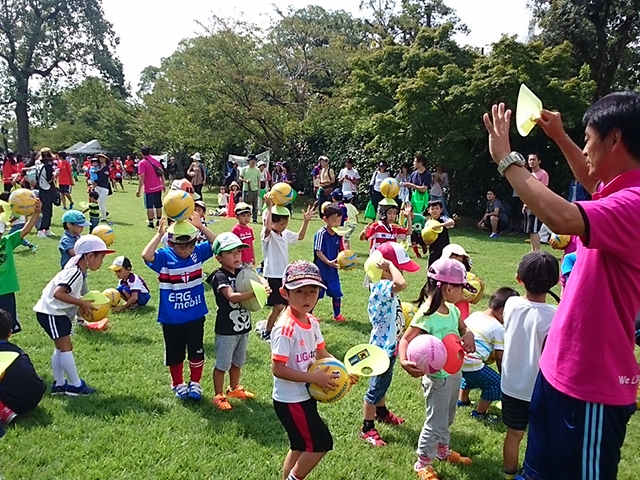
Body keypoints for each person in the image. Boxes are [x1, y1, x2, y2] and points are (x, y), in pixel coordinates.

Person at [483, 93, 640, 479]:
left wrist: (507, 160)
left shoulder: (635, 204)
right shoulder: (619, 192)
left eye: (588, 138)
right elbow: (592, 177)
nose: (584, 147)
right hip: (555, 372)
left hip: (592, 387)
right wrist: (560, 137)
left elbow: (564, 217)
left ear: (615, 139)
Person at [398, 258, 476, 480]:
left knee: (448, 416)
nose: (464, 293)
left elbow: (462, 327)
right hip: (437, 378)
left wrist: (467, 334)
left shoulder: (452, 310)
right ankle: (422, 462)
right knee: (435, 420)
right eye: (462, 287)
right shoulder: (427, 314)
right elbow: (405, 340)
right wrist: (404, 361)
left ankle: (442, 451)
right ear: (449, 287)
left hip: (454, 374)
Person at [270, 260, 341, 480]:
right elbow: (278, 369)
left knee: (299, 445)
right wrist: (314, 377)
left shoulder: (311, 321)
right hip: (291, 400)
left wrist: (342, 371)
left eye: (313, 291)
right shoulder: (285, 328)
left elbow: (322, 353)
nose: (307, 297)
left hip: (304, 396)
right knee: (321, 443)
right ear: (284, 293)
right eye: (299, 291)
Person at [142, 218, 216, 400]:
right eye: (182, 248)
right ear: (171, 244)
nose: (187, 251)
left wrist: (200, 226)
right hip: (172, 318)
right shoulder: (165, 257)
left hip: (196, 314)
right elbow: (146, 255)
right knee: (175, 353)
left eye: (190, 246)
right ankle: (177, 383)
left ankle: (195, 383)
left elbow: (216, 244)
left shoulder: (197, 253)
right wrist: (159, 234)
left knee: (196, 350)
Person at [500, 252, 558, 479]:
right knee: (540, 434)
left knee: (514, 434)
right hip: (540, 388)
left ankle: (509, 473)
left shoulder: (511, 304)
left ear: (518, 278)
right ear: (553, 282)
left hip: (511, 384)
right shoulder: (555, 315)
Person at [34, 235, 115, 395]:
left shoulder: (77, 271)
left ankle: (59, 384)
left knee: (60, 348)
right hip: (51, 313)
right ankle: (75, 385)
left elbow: (67, 295)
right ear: (90, 256)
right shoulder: (75, 272)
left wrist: (79, 305)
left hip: (54, 313)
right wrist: (82, 303)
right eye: (101, 257)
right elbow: (59, 294)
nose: (102, 262)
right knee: (66, 348)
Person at [360, 241, 418, 446]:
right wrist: (390, 266)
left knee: (383, 383)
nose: (401, 271)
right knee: (375, 389)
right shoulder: (382, 286)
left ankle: (381, 412)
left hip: (389, 344)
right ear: (384, 270)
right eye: (398, 267)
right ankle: (367, 427)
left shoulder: (383, 286)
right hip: (382, 348)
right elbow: (401, 283)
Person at [208, 233, 259, 410]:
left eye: (238, 252)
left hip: (243, 327)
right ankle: (219, 395)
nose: (237, 256)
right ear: (219, 258)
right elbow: (232, 297)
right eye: (231, 253)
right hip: (226, 330)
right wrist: (255, 293)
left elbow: (259, 279)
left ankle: (234, 388)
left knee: (238, 362)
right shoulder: (219, 276)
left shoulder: (242, 273)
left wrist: (263, 285)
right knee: (222, 364)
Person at [457, 287, 519, 422]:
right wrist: (503, 376)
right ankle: (480, 413)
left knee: (472, 375)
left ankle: (462, 400)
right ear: (503, 311)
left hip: (460, 359)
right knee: (495, 384)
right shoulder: (498, 328)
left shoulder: (476, 314)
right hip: (472, 361)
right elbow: (499, 356)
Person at [260, 197, 315, 342]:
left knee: (288, 306)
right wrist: (269, 207)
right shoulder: (268, 235)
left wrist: (306, 221)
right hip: (272, 275)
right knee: (277, 307)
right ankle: (267, 331)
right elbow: (266, 227)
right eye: (281, 223)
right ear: (272, 222)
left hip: (284, 275)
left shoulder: (285, 234)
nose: (284, 226)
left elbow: (301, 237)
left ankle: (280, 328)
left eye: (286, 223)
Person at [0, 309, 46, 434]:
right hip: (35, 396)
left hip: (16, 403)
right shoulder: (17, 350)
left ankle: (4, 412)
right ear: (10, 333)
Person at [0, 199, 41, 334]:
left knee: (7, 327)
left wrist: (36, 213)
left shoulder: (7, 241)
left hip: (6, 291)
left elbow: (25, 230)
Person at [313, 204, 346, 322]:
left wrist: (347, 260)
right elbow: (318, 252)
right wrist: (328, 262)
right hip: (320, 269)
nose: (337, 223)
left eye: (339, 220)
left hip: (333, 270)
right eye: (334, 220)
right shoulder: (321, 233)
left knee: (336, 291)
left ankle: (337, 315)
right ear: (325, 219)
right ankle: (310, 315)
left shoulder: (338, 234)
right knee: (316, 293)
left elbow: (342, 250)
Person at [522, 154, 549, 251]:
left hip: (537, 206)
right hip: (528, 205)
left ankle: (537, 251)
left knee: (535, 230)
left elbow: (543, 190)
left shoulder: (543, 174)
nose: (531, 162)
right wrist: (525, 204)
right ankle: (532, 251)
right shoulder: (529, 175)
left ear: (539, 161)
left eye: (534, 159)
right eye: (530, 160)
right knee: (530, 230)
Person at [136, 147, 165, 229]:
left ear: (141, 153)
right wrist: (163, 184)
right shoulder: (156, 161)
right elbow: (161, 173)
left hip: (149, 188)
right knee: (158, 205)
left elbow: (142, 176)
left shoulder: (142, 163)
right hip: (158, 187)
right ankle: (159, 221)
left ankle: (151, 222)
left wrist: (139, 189)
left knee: (149, 206)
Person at [35, 148, 56, 238]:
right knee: (47, 211)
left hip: (41, 189)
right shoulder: (48, 166)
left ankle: (47, 229)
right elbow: (49, 179)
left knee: (46, 210)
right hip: (47, 190)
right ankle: (41, 230)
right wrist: (55, 175)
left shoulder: (39, 165)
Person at [425, 200, 454, 266]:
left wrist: (440, 225)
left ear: (441, 210)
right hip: (433, 249)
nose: (435, 210)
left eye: (437, 209)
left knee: (444, 266)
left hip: (444, 249)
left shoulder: (443, 218)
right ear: (428, 210)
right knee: (432, 266)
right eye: (432, 209)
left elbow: (452, 222)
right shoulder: (428, 222)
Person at [230, 202, 255, 269]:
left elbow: (251, 245)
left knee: (247, 277)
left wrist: (253, 257)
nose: (246, 218)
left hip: (248, 259)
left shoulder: (250, 229)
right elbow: (233, 246)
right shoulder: (236, 229)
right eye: (243, 216)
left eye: (248, 215)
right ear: (237, 217)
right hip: (240, 260)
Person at [239, 154, 261, 222]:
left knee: (255, 205)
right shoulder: (244, 169)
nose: (253, 161)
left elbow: (258, 180)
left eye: (254, 160)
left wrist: (259, 190)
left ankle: (255, 219)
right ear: (249, 161)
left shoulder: (257, 170)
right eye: (252, 160)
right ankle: (244, 218)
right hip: (246, 189)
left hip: (255, 189)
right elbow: (240, 177)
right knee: (245, 205)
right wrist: (245, 181)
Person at [92, 154, 112, 225]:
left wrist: (95, 181)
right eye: (100, 158)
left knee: (101, 202)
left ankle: (104, 217)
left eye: (103, 158)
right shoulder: (98, 167)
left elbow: (103, 178)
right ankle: (104, 214)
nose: (101, 159)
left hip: (104, 187)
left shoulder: (107, 168)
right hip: (98, 187)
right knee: (99, 202)